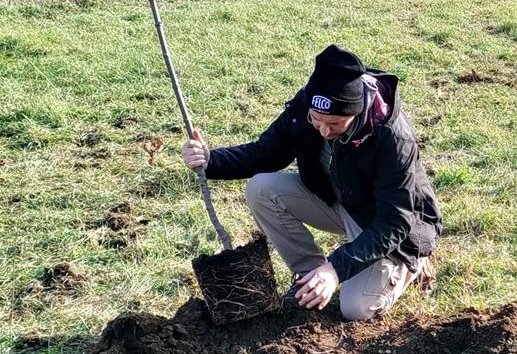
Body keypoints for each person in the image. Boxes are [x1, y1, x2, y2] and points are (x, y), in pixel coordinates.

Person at [180, 45, 442, 321]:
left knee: (355, 309)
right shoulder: (307, 105)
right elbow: (267, 151)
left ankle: (412, 264)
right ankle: (309, 277)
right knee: (262, 189)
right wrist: (211, 160)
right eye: (317, 121)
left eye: (336, 123)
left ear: (357, 111)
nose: (324, 130)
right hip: (341, 200)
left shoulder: (391, 136)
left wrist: (336, 268)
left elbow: (394, 222)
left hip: (390, 224)